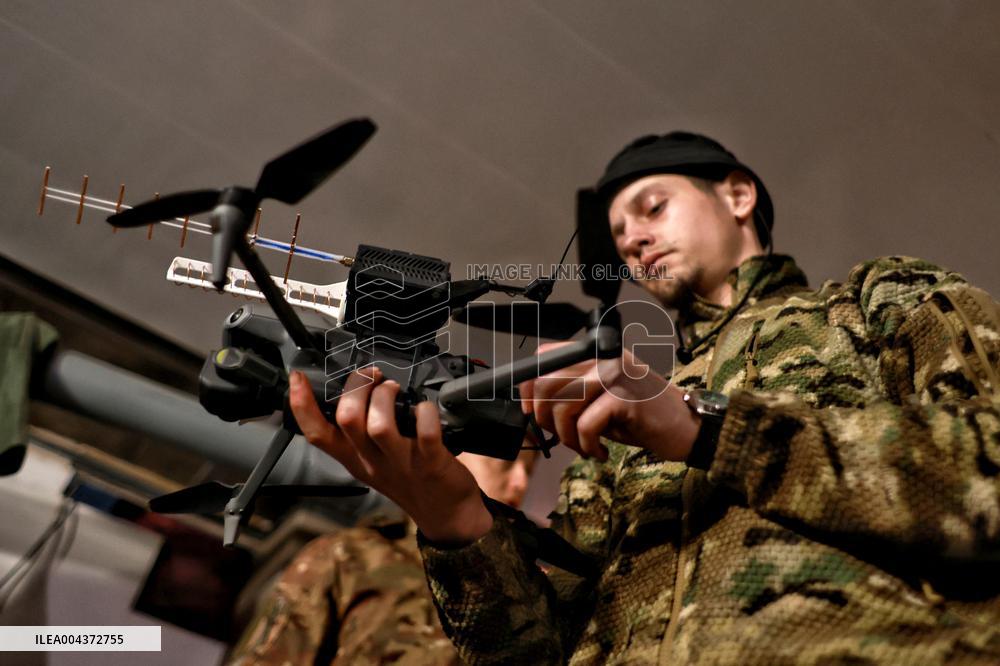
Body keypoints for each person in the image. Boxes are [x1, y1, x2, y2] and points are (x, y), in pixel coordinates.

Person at [288, 132, 1000, 664]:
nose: (632, 238)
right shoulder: (616, 424)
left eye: (652, 206)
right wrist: (451, 522)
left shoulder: (873, 302)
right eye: (620, 234)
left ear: (738, 195)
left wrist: (708, 429)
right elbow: (537, 651)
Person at [225, 449, 537, 666]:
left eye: (529, 471)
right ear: (446, 455)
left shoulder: (527, 598)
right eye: (506, 464)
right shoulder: (350, 557)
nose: (520, 484)